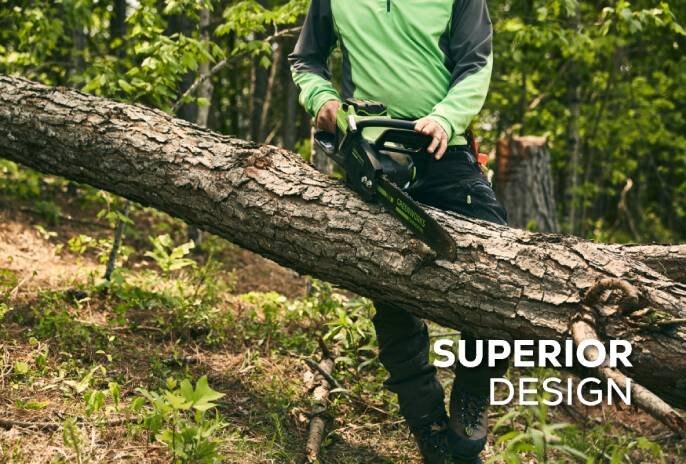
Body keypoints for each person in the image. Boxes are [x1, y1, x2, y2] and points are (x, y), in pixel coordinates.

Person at [289, 1, 509, 462]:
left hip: (445, 148)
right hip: (373, 151)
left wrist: (446, 117)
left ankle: (473, 390)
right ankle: (428, 426)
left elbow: (476, 63)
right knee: (391, 297)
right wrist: (321, 98)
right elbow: (306, 59)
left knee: (502, 276)